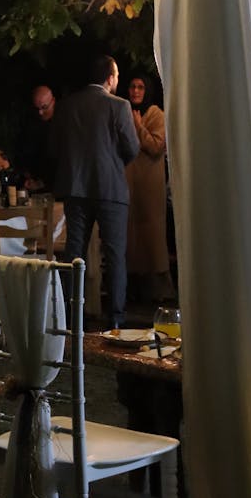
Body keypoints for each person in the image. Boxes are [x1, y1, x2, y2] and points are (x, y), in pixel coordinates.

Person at [51, 55, 140, 327]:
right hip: (110, 189)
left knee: (74, 253)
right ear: (109, 78)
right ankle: (115, 320)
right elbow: (132, 148)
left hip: (76, 189)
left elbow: (56, 147)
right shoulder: (119, 106)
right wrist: (113, 165)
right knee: (114, 256)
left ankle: (71, 317)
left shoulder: (67, 106)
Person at [125, 73, 176, 302]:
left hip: (150, 188)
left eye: (141, 87)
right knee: (133, 240)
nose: (136, 91)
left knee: (152, 240)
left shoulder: (156, 114)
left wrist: (138, 127)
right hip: (130, 187)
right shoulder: (125, 112)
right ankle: (135, 291)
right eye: (133, 87)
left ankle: (160, 292)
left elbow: (156, 146)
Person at [21, 83, 57, 191]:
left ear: (53, 101)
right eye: (37, 108)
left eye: (44, 107)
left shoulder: (62, 125)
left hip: (56, 187)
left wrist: (43, 183)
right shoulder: (31, 122)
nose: (40, 112)